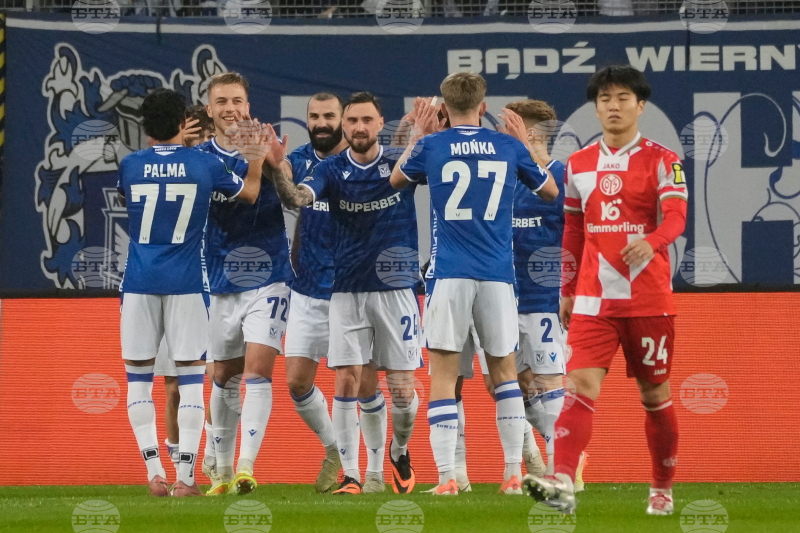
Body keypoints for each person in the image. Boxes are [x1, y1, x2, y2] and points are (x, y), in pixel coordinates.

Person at [523, 65, 687, 516]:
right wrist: (568, 288)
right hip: (594, 300)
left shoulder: (663, 160)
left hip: (648, 299)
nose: (613, 106)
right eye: (605, 99)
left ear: (641, 105)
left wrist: (652, 242)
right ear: (595, 108)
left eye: (622, 98)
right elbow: (574, 229)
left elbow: (676, 217)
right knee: (577, 387)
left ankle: (662, 488)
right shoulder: (578, 163)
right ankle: (562, 483)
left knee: (655, 396)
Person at [390, 73, 558, 495]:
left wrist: (419, 134)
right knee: (504, 374)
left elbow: (394, 181)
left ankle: (448, 477)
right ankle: (513, 474)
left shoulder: (432, 145)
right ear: (483, 108)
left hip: (449, 274)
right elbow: (551, 191)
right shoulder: (507, 146)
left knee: (445, 377)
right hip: (498, 276)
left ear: (444, 109)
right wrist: (522, 147)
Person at [266, 92, 422, 495]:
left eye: (366, 120)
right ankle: (356, 475)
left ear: (380, 123)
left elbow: (435, 169)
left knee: (402, 392)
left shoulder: (400, 164)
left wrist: (423, 135)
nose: (358, 127)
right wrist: (277, 169)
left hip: (395, 289)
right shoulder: (330, 169)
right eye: (352, 121)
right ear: (344, 126)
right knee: (347, 381)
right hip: (346, 290)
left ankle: (399, 449)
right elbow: (295, 199)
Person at [117, 88, 264, 497]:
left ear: (145, 127)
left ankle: (154, 473)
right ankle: (185, 479)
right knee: (191, 382)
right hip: (187, 283)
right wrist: (255, 157)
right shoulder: (204, 164)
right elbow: (250, 193)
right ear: (184, 122)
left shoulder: (130, 165)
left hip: (139, 283)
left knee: (139, 381)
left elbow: (129, 195)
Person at [198, 72, 295, 496]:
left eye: (237, 100)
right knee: (223, 374)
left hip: (270, 275)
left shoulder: (267, 144)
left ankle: (245, 466)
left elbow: (293, 198)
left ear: (248, 106)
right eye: (222, 102)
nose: (230, 109)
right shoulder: (200, 158)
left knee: (258, 369)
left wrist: (278, 163)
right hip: (222, 279)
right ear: (209, 110)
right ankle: (220, 471)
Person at [279, 92, 349, 493]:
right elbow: (284, 180)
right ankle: (335, 450)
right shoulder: (301, 159)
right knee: (297, 382)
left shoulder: (358, 161)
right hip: (306, 289)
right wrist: (272, 163)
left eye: (329, 115)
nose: (321, 123)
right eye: (315, 116)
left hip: (349, 292)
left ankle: (379, 461)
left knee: (354, 385)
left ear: (343, 119)